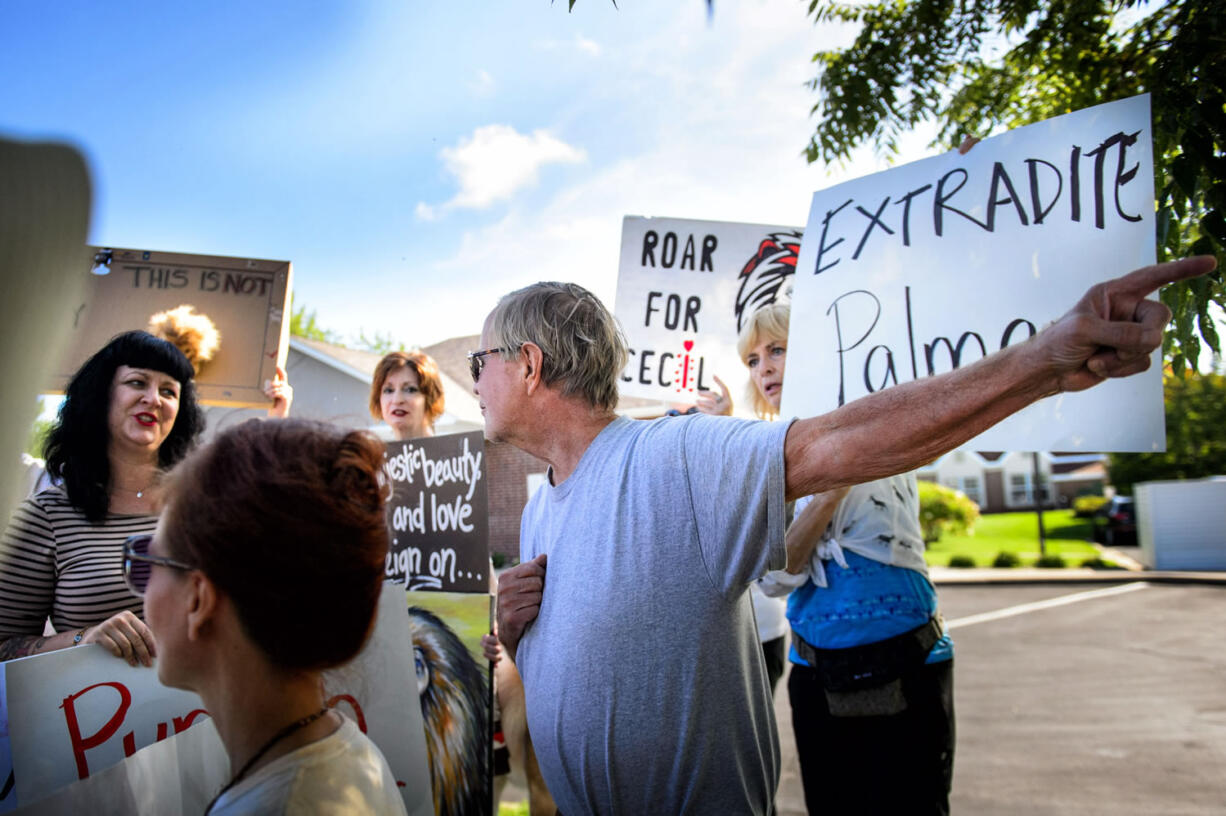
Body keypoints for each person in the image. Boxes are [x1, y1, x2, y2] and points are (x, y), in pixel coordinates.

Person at [488, 257, 1214, 814]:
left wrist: (1044, 360)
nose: (477, 379)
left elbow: (852, 438)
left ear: (529, 364)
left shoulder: (675, 455)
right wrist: (519, 635)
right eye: (753, 360)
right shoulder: (541, 510)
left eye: (480, 363)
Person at [739, 301, 955, 815]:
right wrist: (828, 496)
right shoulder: (765, 453)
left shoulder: (879, 419)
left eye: (777, 350)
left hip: (910, 654)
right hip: (818, 669)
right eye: (751, 359)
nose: (763, 367)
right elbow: (772, 579)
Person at [133, 418, 406, 815]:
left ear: (199, 599)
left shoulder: (277, 804)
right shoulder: (351, 753)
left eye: (146, 560)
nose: (140, 586)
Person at [0, 330, 204, 664]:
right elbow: (3, 647)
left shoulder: (207, 505)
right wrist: (83, 638)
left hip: (208, 714)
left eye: (168, 391)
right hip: (100, 711)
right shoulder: (45, 516)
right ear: (101, 394)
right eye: (138, 382)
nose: (153, 398)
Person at [692, 373, 789, 695]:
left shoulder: (730, 476)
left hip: (760, 629)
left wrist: (726, 421)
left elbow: (749, 466)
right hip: (713, 642)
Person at [370, 350, 445, 440]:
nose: (397, 400)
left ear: (431, 397)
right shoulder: (375, 454)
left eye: (410, 390)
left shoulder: (453, 452)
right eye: (389, 390)